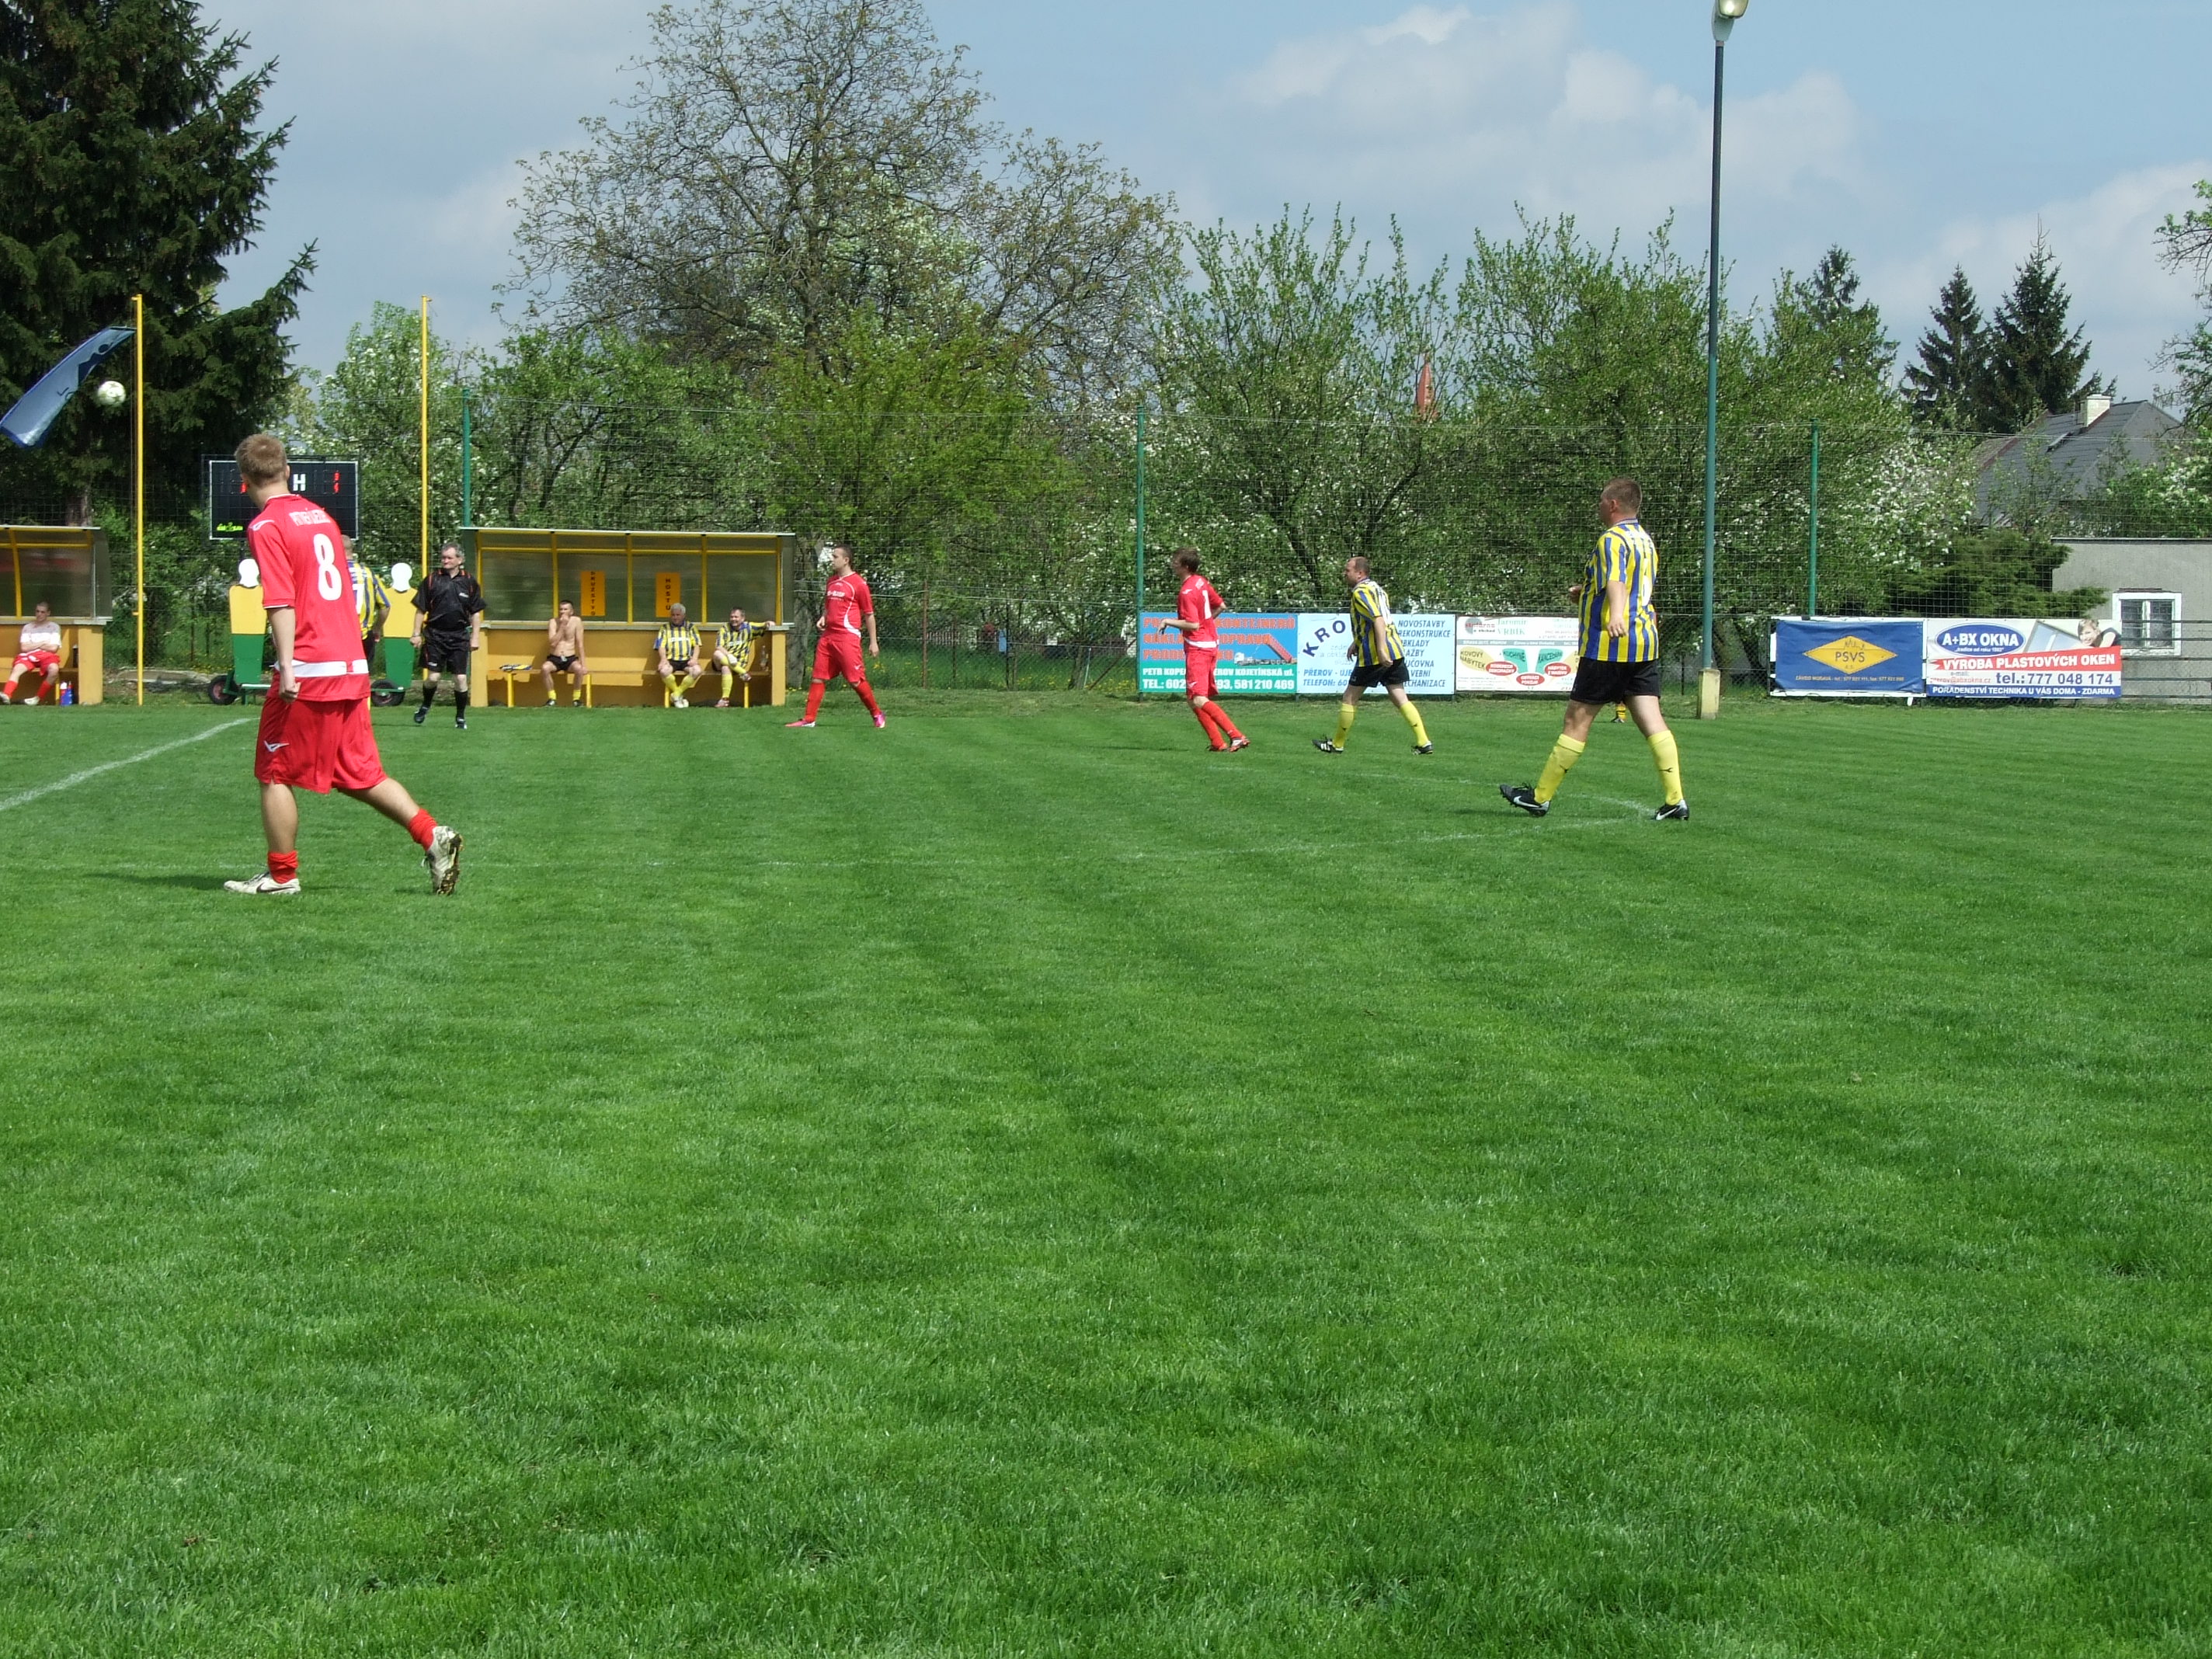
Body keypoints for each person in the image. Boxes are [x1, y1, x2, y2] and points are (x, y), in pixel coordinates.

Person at [220, 433, 462, 897]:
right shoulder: (322, 517)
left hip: (311, 666)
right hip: (350, 662)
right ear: (287, 470)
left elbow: (281, 600)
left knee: (273, 770)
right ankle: (432, 835)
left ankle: (282, 876)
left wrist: (286, 665)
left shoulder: (266, 525)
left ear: (244, 479)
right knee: (358, 773)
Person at [1501, 477, 1687, 822]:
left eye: (1602, 501)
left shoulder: (1612, 539)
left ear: (1613, 505)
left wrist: (1614, 615)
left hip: (1608, 647)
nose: (1599, 507)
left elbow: (1617, 581)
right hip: (1643, 644)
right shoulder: (1645, 540)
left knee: (1577, 719)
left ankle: (1539, 798)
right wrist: (1586, 592)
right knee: (1653, 720)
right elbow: (1631, 584)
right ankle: (1675, 799)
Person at [1313, 556, 1433, 756]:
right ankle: (1424, 742)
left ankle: (1337, 744)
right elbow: (1375, 620)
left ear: (1360, 573)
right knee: (1399, 696)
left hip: (1375, 655)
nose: (1344, 573)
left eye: (1348, 570)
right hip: (1395, 649)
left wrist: (1381, 650)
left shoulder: (1360, 592)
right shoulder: (1377, 588)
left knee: (1349, 697)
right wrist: (1357, 642)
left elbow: (1378, 620)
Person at [1157, 548, 1248, 752]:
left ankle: (1236, 736)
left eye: (1176, 561)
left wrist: (1167, 621)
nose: (1172, 564)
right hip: (1210, 644)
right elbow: (1221, 606)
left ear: (1185, 566)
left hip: (1198, 648)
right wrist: (1207, 625)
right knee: (1192, 699)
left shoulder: (1187, 592)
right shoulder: (1201, 581)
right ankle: (1217, 742)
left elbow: (1193, 624)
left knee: (1199, 698)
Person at [786, 542, 884, 728]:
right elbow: (829, 605)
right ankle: (809, 719)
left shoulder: (859, 584)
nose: (831, 560)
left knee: (855, 680)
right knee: (818, 676)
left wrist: (873, 642)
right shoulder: (831, 581)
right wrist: (824, 617)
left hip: (847, 637)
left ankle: (877, 713)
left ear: (846, 560)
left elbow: (869, 614)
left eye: (835, 557)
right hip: (828, 636)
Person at [410, 542, 485, 729]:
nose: (445, 561)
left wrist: (475, 637)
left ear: (460, 560)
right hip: (435, 636)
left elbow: (476, 613)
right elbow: (420, 610)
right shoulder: (431, 580)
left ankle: (460, 718)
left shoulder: (469, 581)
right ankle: (425, 706)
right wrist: (416, 634)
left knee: (460, 679)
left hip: (459, 636)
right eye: (443, 558)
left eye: (449, 558)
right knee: (433, 678)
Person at [2, 601, 64, 704]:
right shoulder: (28, 627)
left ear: (48, 613)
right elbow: (24, 648)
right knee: (17, 669)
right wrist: (42, 643)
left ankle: (37, 699)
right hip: (29, 656)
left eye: (42, 612)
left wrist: (33, 645)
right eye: (37, 611)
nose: (39, 614)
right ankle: (6, 695)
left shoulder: (54, 627)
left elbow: (53, 648)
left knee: (54, 670)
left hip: (47, 656)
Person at [349, 541, 393, 675]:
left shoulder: (330, 572)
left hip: (338, 635)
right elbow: (386, 605)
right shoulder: (368, 573)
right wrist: (377, 629)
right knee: (363, 675)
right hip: (364, 634)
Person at [542, 600, 589, 706]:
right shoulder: (553, 622)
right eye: (561, 609)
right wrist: (562, 626)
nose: (562, 612)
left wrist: (584, 665)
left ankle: (576, 699)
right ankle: (552, 698)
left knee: (579, 669)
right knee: (545, 668)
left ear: (571, 612)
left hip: (570, 657)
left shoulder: (577, 621)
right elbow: (553, 643)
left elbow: (580, 644)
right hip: (555, 657)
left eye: (565, 609)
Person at [655, 603, 702, 706]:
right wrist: (663, 659)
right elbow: (661, 646)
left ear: (683, 615)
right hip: (671, 660)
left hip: (687, 660)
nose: (675, 617)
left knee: (697, 670)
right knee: (663, 671)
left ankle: (676, 694)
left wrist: (694, 659)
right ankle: (678, 695)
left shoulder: (690, 627)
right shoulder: (665, 628)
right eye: (673, 615)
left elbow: (697, 645)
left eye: (678, 615)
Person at [711, 607, 754, 707]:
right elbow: (719, 646)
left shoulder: (749, 628)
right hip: (724, 660)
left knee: (726, 668)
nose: (733, 619)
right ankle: (743, 673)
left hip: (740, 662)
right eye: (732, 617)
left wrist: (768, 623)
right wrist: (729, 655)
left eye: (736, 617)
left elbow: (763, 626)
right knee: (717, 653)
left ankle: (725, 700)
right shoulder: (724, 629)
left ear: (743, 618)